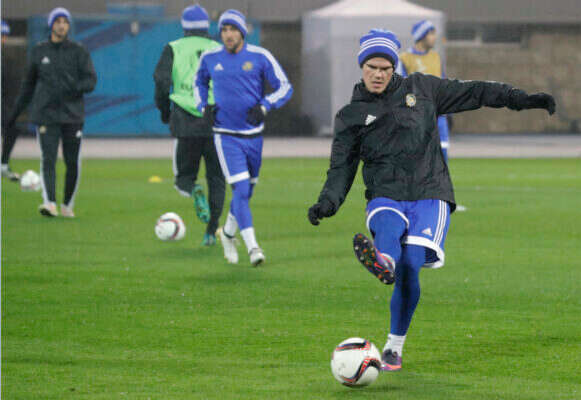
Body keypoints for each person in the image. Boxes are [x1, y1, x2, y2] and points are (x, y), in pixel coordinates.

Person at [308, 29, 554, 371]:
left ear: (394, 67)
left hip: (430, 192)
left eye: (384, 68)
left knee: (411, 265)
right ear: (361, 67)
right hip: (385, 192)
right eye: (371, 67)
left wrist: (520, 98)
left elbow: (476, 91)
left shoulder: (423, 89)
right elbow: (341, 168)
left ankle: (393, 346)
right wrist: (328, 202)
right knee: (388, 228)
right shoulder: (351, 115)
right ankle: (383, 261)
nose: (378, 74)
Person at [195, 9, 293, 266]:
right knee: (239, 189)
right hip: (226, 136)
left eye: (233, 29)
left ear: (242, 32)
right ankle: (253, 247)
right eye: (224, 30)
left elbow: (285, 86)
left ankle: (228, 234)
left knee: (246, 193)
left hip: (254, 137)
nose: (228, 34)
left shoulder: (260, 56)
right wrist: (203, 106)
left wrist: (265, 106)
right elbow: (199, 83)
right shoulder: (210, 58)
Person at [5, 8, 96, 217]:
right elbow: (28, 86)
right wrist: (15, 113)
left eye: (65, 22)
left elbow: (91, 80)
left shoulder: (79, 51)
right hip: (46, 115)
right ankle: (50, 204)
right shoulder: (39, 51)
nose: (61, 25)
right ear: (51, 25)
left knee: (72, 162)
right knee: (48, 159)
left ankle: (67, 206)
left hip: (73, 116)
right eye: (58, 21)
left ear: (69, 25)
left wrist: (75, 88)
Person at [153, 4, 225, 246]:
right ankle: (211, 231)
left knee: (182, 179)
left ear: (184, 26)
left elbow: (161, 82)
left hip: (185, 120)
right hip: (216, 120)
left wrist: (165, 112)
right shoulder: (218, 48)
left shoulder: (173, 48)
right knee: (217, 178)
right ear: (207, 26)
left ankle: (194, 189)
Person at [399, 20, 467, 211]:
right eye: (431, 33)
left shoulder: (436, 57)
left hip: (439, 117)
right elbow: (401, 89)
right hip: (417, 118)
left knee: (442, 157)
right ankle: (413, 199)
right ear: (421, 35)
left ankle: (441, 201)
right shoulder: (404, 58)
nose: (434, 37)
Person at [1, 20, 21, 181]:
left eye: (4, 35)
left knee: (13, 127)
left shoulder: (4, 59)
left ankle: (3, 164)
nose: (3, 39)